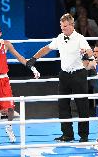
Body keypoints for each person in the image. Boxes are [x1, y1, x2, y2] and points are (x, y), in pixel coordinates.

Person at [26, 13, 93, 143]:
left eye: (65, 26)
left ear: (72, 25)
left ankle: (84, 135)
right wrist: (34, 58)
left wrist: (85, 54)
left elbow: (90, 51)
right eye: (61, 26)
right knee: (63, 105)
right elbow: (47, 49)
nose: (63, 29)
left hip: (79, 74)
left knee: (82, 106)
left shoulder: (80, 38)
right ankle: (67, 134)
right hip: (64, 75)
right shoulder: (60, 37)